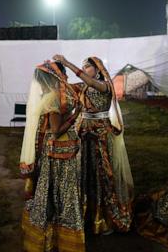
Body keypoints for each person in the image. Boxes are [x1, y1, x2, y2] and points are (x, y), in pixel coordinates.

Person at [53, 55, 134, 235]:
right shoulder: (83, 87)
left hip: (100, 137)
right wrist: (55, 72)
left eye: (88, 66)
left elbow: (86, 80)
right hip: (84, 134)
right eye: (83, 67)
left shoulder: (104, 86)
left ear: (98, 70)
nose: (85, 69)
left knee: (102, 174)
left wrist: (67, 63)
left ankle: (103, 217)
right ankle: (86, 215)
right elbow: (65, 87)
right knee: (84, 173)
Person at [20, 61, 85, 252]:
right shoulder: (54, 98)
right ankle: (61, 234)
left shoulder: (54, 96)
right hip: (59, 152)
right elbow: (56, 130)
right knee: (62, 192)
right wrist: (76, 115)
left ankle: (52, 234)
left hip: (59, 151)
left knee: (55, 191)